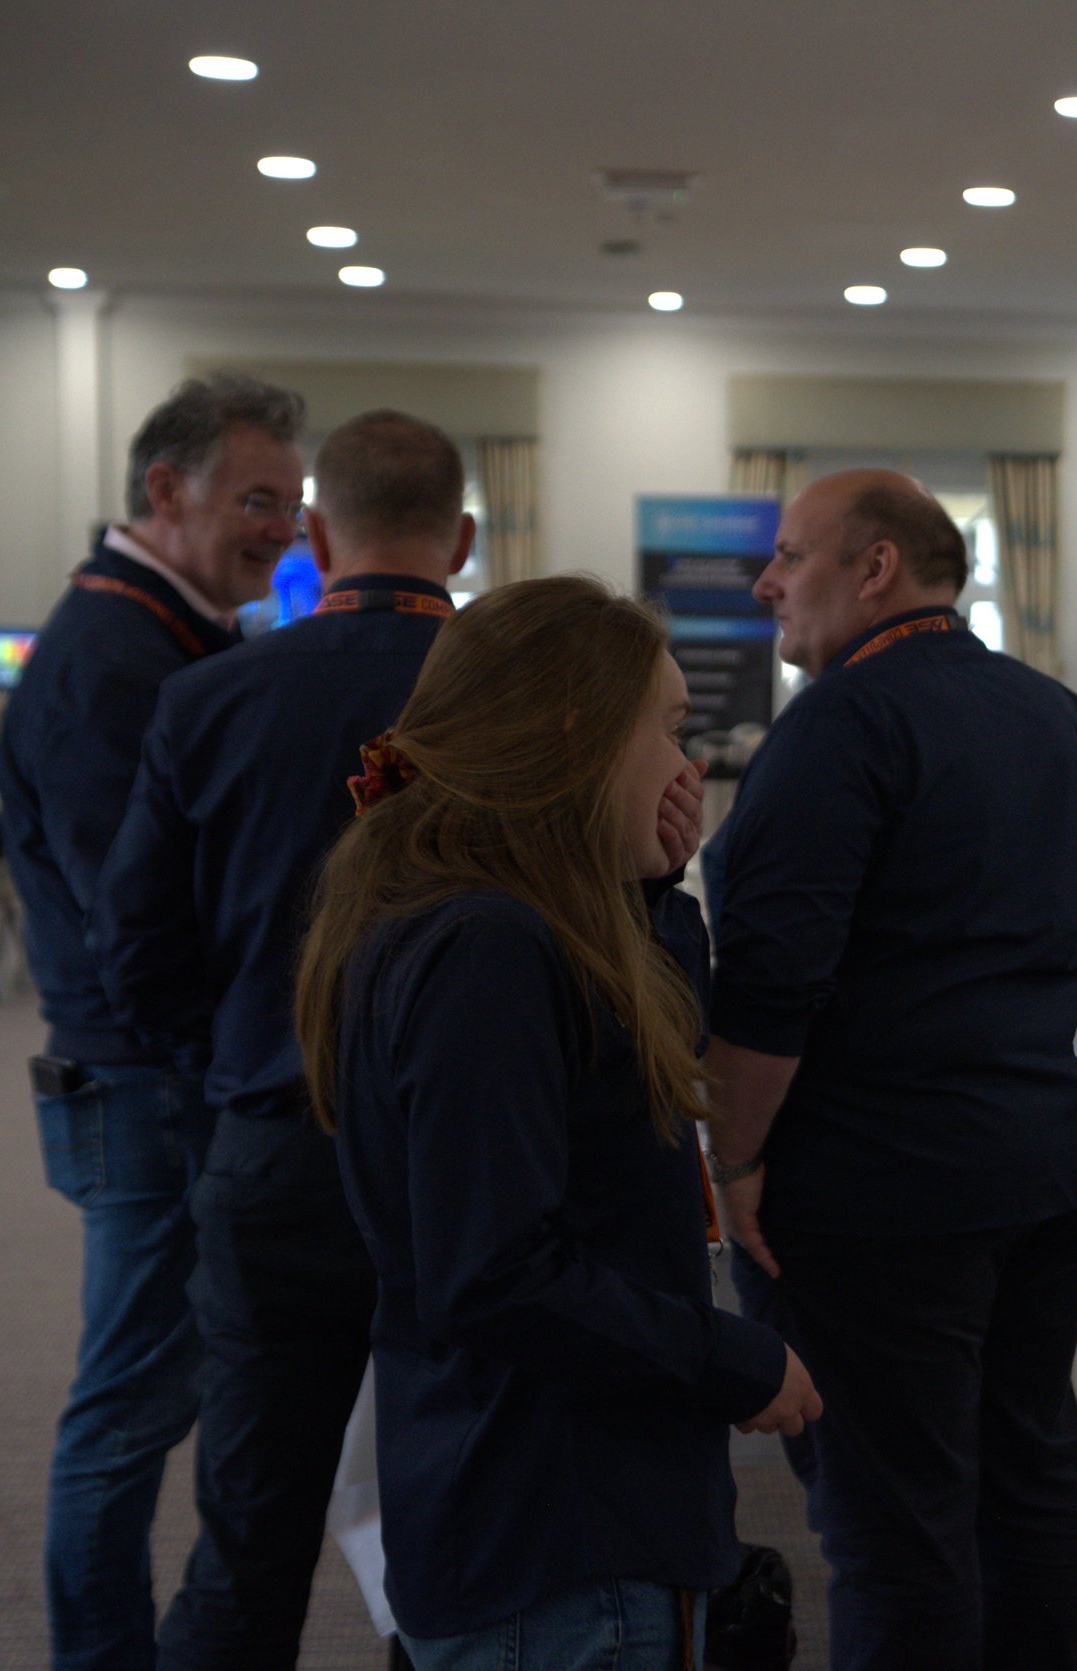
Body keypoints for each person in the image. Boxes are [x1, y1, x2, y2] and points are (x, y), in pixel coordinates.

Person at [298, 576, 818, 1669]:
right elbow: (495, 1272)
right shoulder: (487, 945)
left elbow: (633, 1065)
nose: (690, 770)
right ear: (575, 734)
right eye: (669, 730)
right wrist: (729, 1359)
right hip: (556, 1525)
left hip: (539, 1493)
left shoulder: (497, 914)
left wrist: (649, 889)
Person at [701, 469, 1077, 1671]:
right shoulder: (1064, 717)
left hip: (885, 1190)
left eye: (790, 554)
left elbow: (772, 988)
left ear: (876, 567)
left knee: (895, 1521)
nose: (766, 581)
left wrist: (731, 1161)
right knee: (1031, 1472)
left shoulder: (841, 723)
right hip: (1054, 1163)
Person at [87, 411, 474, 1666]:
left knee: (252, 1533)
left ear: (314, 534)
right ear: (463, 540)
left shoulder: (208, 697)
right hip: (479, 1162)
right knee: (464, 1521)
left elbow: (132, 943)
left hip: (276, 1147)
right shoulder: (536, 702)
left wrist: (227, 1064)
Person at [0, 370, 305, 1671]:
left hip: (161, 1071)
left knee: (152, 1397)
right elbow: (143, 919)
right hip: (143, 1080)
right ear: (163, 490)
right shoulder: (110, 654)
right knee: (125, 1411)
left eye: (293, 505)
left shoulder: (174, 632)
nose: (282, 531)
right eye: (256, 499)